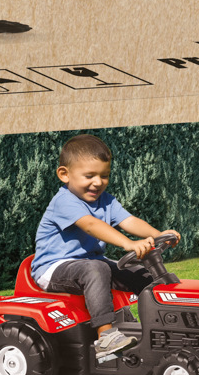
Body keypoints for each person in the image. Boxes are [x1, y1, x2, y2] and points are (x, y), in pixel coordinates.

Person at [32, 134, 179, 357]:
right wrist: (128, 243)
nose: (98, 182)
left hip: (91, 263)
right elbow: (91, 225)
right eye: (89, 176)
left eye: (104, 176)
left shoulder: (107, 201)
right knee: (96, 268)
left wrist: (158, 235)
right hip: (53, 267)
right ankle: (106, 338)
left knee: (141, 274)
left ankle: (162, 327)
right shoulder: (64, 201)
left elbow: (129, 221)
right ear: (64, 174)